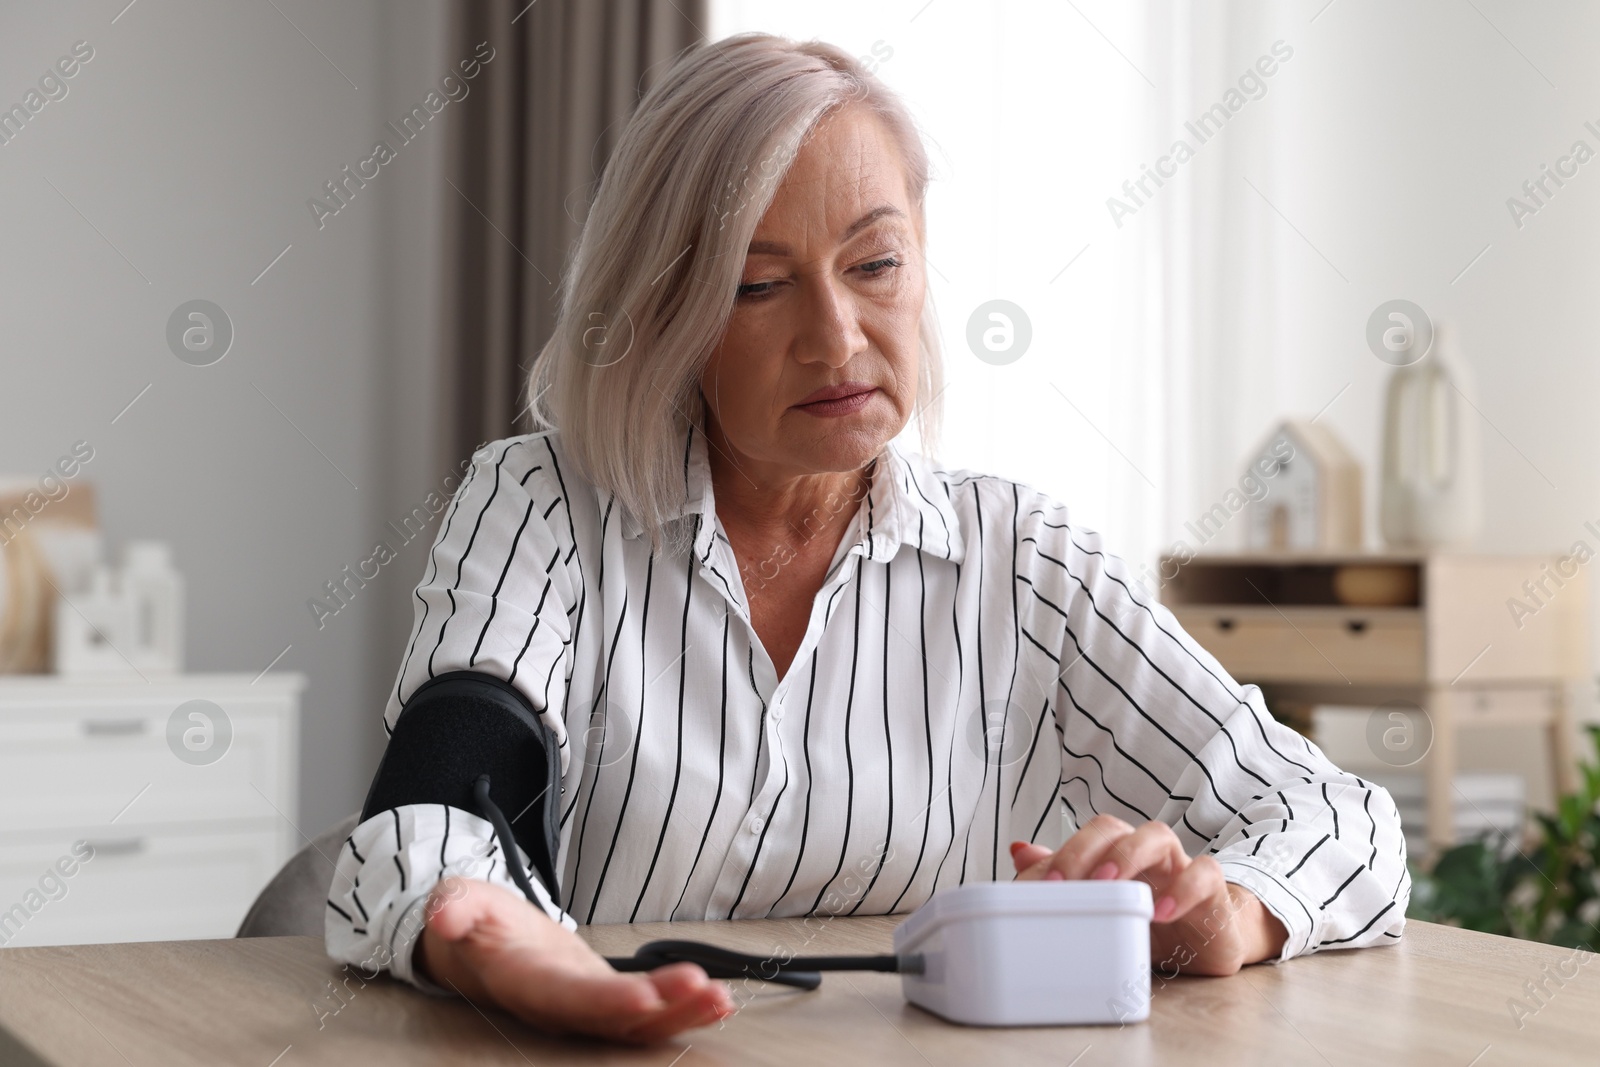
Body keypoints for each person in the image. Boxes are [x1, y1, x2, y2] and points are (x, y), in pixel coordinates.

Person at [326, 32, 1408, 1043]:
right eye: (758, 284)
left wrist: (1229, 912)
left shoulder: (1019, 556)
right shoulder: (540, 503)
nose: (835, 338)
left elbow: (1338, 817)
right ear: (666, 311)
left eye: (875, 265)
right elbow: (434, 813)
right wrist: (502, 943)